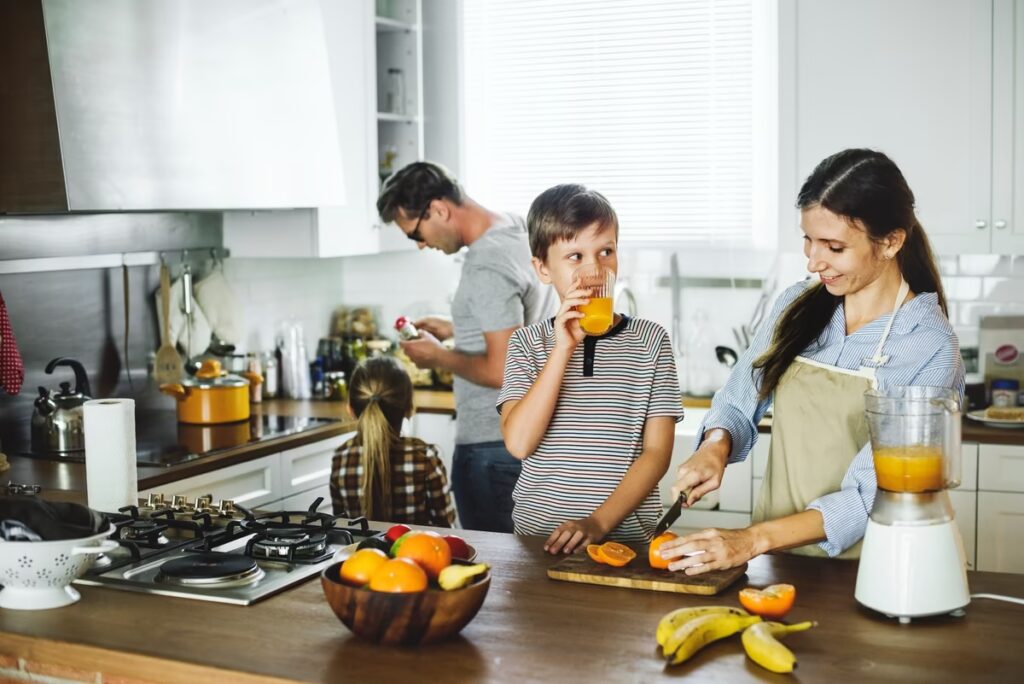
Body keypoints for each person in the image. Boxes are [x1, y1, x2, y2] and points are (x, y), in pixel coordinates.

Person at [660, 148, 965, 574]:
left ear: (891, 241)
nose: (813, 261)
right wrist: (715, 446)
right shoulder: (797, 305)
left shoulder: (930, 347)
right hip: (779, 559)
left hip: (880, 567)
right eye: (808, 239)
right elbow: (738, 397)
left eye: (834, 247)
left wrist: (750, 539)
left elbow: (872, 493)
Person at [497, 184, 683, 555]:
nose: (595, 269)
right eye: (575, 256)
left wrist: (598, 523)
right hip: (537, 540)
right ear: (543, 269)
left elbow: (656, 454)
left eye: (606, 251)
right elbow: (519, 443)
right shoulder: (527, 344)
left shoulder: (651, 342)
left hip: (625, 544)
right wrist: (562, 348)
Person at [377, 161, 557, 532]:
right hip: (530, 438)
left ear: (439, 209)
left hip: (491, 447)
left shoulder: (485, 264)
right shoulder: (515, 228)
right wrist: (459, 328)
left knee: (500, 577)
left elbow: (503, 371)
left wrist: (437, 357)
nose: (422, 245)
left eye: (416, 234)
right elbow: (523, 330)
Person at [330, 356, 455, 527]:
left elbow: (341, 527)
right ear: (410, 408)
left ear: (350, 409)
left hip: (360, 554)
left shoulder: (341, 459)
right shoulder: (425, 458)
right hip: (415, 553)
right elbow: (446, 528)